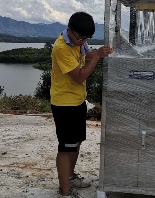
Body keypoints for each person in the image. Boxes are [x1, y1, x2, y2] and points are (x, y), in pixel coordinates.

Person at [51, 11, 113, 198]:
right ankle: (64, 190)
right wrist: (97, 57)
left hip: (77, 101)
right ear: (70, 30)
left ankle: (70, 177)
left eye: (87, 38)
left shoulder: (78, 40)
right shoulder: (61, 48)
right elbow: (79, 76)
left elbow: (87, 55)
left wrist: (100, 52)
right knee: (66, 146)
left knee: (76, 143)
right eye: (80, 38)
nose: (83, 42)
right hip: (64, 104)